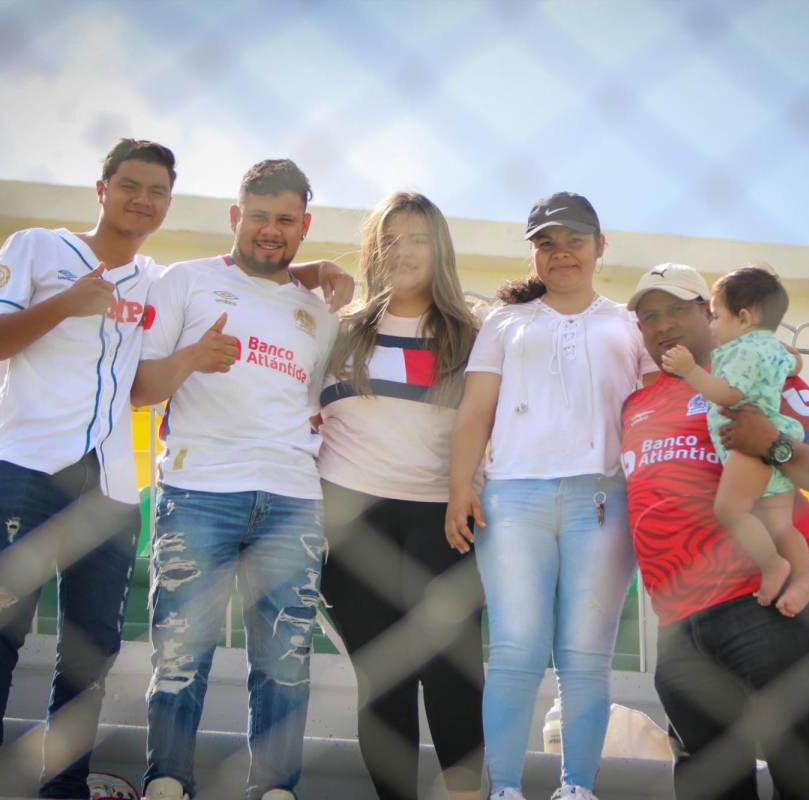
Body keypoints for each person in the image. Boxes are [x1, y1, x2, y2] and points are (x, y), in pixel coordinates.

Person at [0, 139, 177, 798]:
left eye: (157, 191)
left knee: (91, 649)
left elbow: (142, 387)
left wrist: (311, 272)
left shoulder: (157, 280)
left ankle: (65, 785)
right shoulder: (38, 247)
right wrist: (66, 305)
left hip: (111, 485)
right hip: (29, 465)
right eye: (130, 184)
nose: (143, 200)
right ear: (102, 189)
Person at [131, 159, 338, 800]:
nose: (271, 230)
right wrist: (195, 358)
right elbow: (139, 389)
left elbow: (318, 408)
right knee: (179, 655)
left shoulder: (320, 315)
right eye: (258, 216)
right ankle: (168, 783)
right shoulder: (185, 282)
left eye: (285, 220)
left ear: (304, 226)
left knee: (285, 663)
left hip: (293, 498)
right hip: (199, 490)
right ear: (234, 217)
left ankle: (274, 790)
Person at [446, 192, 657, 800]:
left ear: (600, 245)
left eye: (574, 241)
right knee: (517, 649)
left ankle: (577, 788)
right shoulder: (504, 323)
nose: (561, 253)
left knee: (585, 657)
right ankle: (505, 789)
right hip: (513, 499)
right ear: (532, 251)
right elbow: (475, 412)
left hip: (605, 499)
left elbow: (657, 409)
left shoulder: (630, 323)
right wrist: (460, 488)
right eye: (546, 243)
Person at [621, 263, 809, 799]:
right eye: (649, 316)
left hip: (769, 603)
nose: (662, 324)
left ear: (710, 314)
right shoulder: (634, 404)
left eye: (676, 309)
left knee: (802, 774)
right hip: (678, 624)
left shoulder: (760, 371)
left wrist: (773, 443)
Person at [317, 191, 485, 800]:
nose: (404, 252)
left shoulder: (476, 333)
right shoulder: (336, 331)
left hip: (444, 519)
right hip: (351, 521)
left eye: (418, 240)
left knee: (451, 675)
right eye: (390, 241)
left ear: (440, 250)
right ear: (372, 252)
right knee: (382, 681)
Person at [660, 266, 809, 617]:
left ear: (744, 317)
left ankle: (773, 565)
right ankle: (805, 577)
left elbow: (729, 394)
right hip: (774, 442)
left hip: (748, 447)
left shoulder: (742, 351)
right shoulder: (771, 348)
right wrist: (790, 354)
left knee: (729, 510)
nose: (711, 326)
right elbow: (795, 363)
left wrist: (690, 370)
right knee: (780, 525)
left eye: (716, 316)